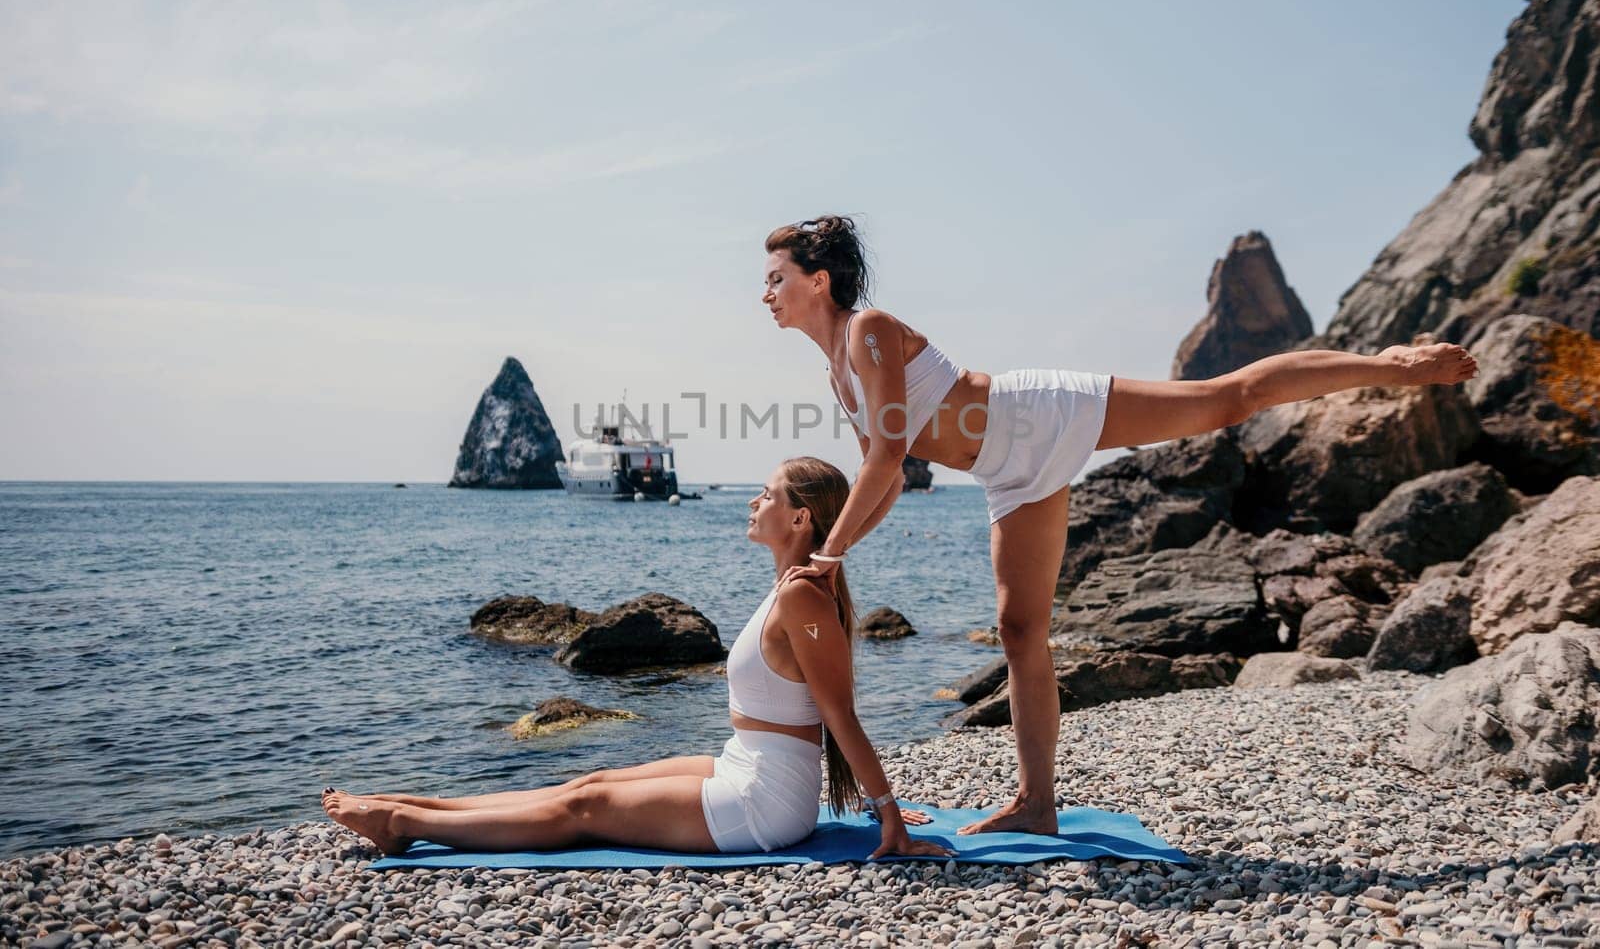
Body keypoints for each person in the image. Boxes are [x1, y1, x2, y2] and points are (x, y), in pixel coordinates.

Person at [762, 214, 1479, 835]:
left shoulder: (871, 333)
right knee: (1019, 630)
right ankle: (1036, 802)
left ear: (818, 281)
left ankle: (1394, 366)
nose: (767, 293)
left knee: (1227, 398)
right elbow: (883, 473)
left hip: (1040, 412)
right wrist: (835, 558)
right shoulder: (837, 372)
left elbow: (890, 455)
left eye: (776, 278)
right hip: (1009, 476)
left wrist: (828, 552)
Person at [322, 456, 954, 860]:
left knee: (584, 812)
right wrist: (870, 805)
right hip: (746, 762)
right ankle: (412, 803)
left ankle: (402, 824)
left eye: (765, 494)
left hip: (765, 801)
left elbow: (838, 714)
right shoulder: (794, 587)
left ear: (799, 517)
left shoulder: (803, 598)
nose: (752, 503)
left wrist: (887, 819)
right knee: (587, 783)